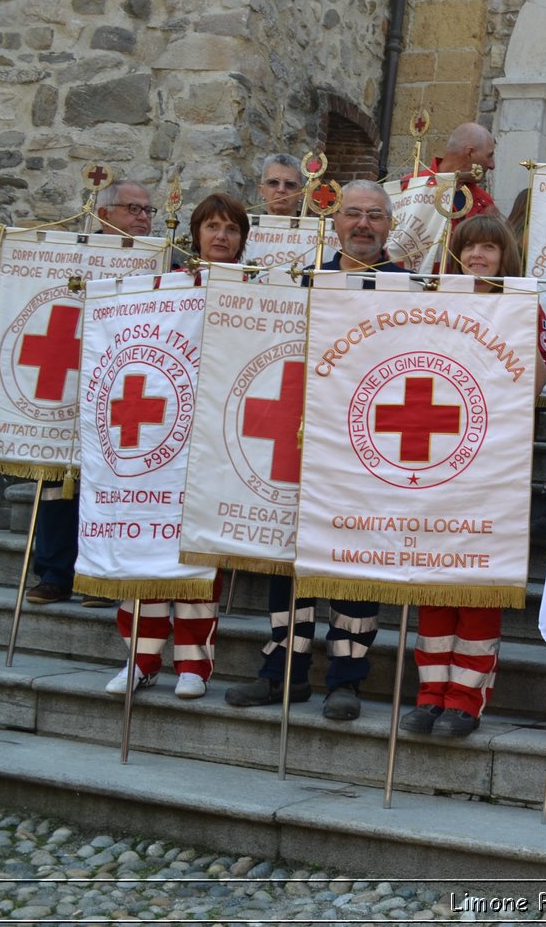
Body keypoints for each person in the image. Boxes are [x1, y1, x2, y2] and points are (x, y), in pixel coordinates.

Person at [225, 181, 405, 721]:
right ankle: (283, 669)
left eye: (375, 215)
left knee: (353, 560)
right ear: (335, 222)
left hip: (369, 446)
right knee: (291, 557)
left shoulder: (412, 288)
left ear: (390, 225)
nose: (364, 224)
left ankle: (346, 678)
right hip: (301, 437)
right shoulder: (306, 281)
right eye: (353, 214)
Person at [399, 216, 546, 738]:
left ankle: (466, 697)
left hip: (492, 463)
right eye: (469, 248)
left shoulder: (525, 306)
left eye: (489, 247)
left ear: (505, 255)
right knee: (436, 574)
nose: (479, 256)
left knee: (478, 578)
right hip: (434, 458)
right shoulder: (431, 304)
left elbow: (535, 380)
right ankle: (430, 692)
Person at [104, 193, 248, 698]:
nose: (221, 236)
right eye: (212, 226)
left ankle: (193, 664)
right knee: (146, 545)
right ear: (196, 234)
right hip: (157, 433)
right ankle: (141, 658)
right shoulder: (165, 288)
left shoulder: (254, 292)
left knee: (196, 559)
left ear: (242, 238)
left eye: (231, 228)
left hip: (214, 440)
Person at [25, 181, 158, 609]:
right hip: (65, 376)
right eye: (132, 208)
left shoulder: (158, 261)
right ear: (103, 214)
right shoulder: (70, 256)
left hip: (124, 387)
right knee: (58, 481)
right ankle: (54, 572)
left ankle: (104, 575)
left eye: (148, 210)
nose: (143, 217)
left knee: (115, 483)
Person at [406, 122, 497, 220]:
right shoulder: (409, 186)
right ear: (469, 153)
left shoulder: (484, 203)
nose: (492, 165)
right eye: (489, 156)